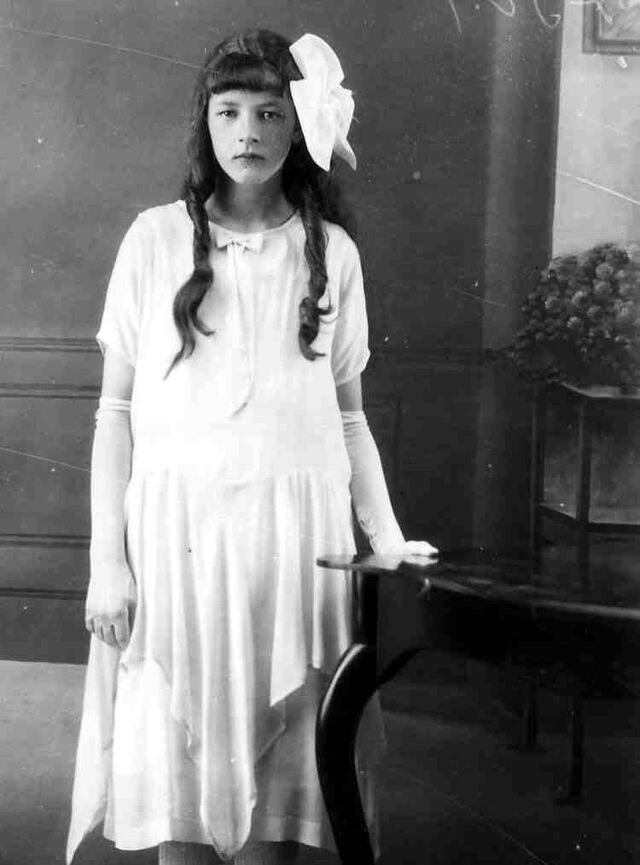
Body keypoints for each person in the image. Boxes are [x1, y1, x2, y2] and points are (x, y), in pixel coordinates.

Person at [66, 29, 438, 865]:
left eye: (271, 113)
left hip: (293, 551)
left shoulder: (332, 253)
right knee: (181, 801)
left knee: (280, 800)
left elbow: (349, 419)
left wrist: (387, 539)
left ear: (300, 126)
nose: (248, 133)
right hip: (177, 546)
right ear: (205, 122)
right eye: (229, 111)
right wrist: (107, 563)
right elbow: (114, 412)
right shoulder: (154, 239)